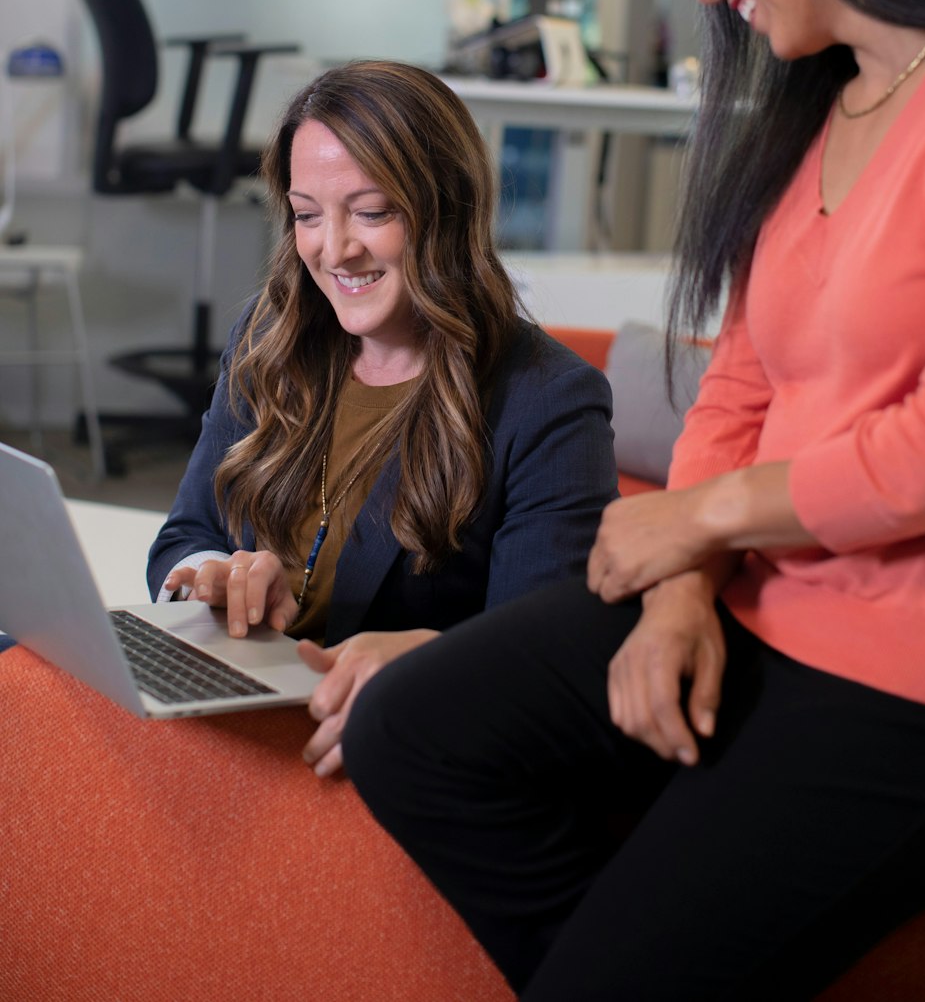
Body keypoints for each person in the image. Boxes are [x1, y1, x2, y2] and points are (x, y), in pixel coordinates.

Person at [341, 0, 925, 1000]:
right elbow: (742, 380)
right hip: (760, 607)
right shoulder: (827, 99)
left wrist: (699, 518)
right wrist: (684, 584)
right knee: (414, 728)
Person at [147, 60, 617, 776]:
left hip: (370, 748)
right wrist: (211, 575)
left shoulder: (547, 398)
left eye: (371, 212)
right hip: (230, 709)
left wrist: (423, 657)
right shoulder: (269, 336)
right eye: (308, 214)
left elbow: (546, 659)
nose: (334, 249)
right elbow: (185, 535)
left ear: (446, 210)